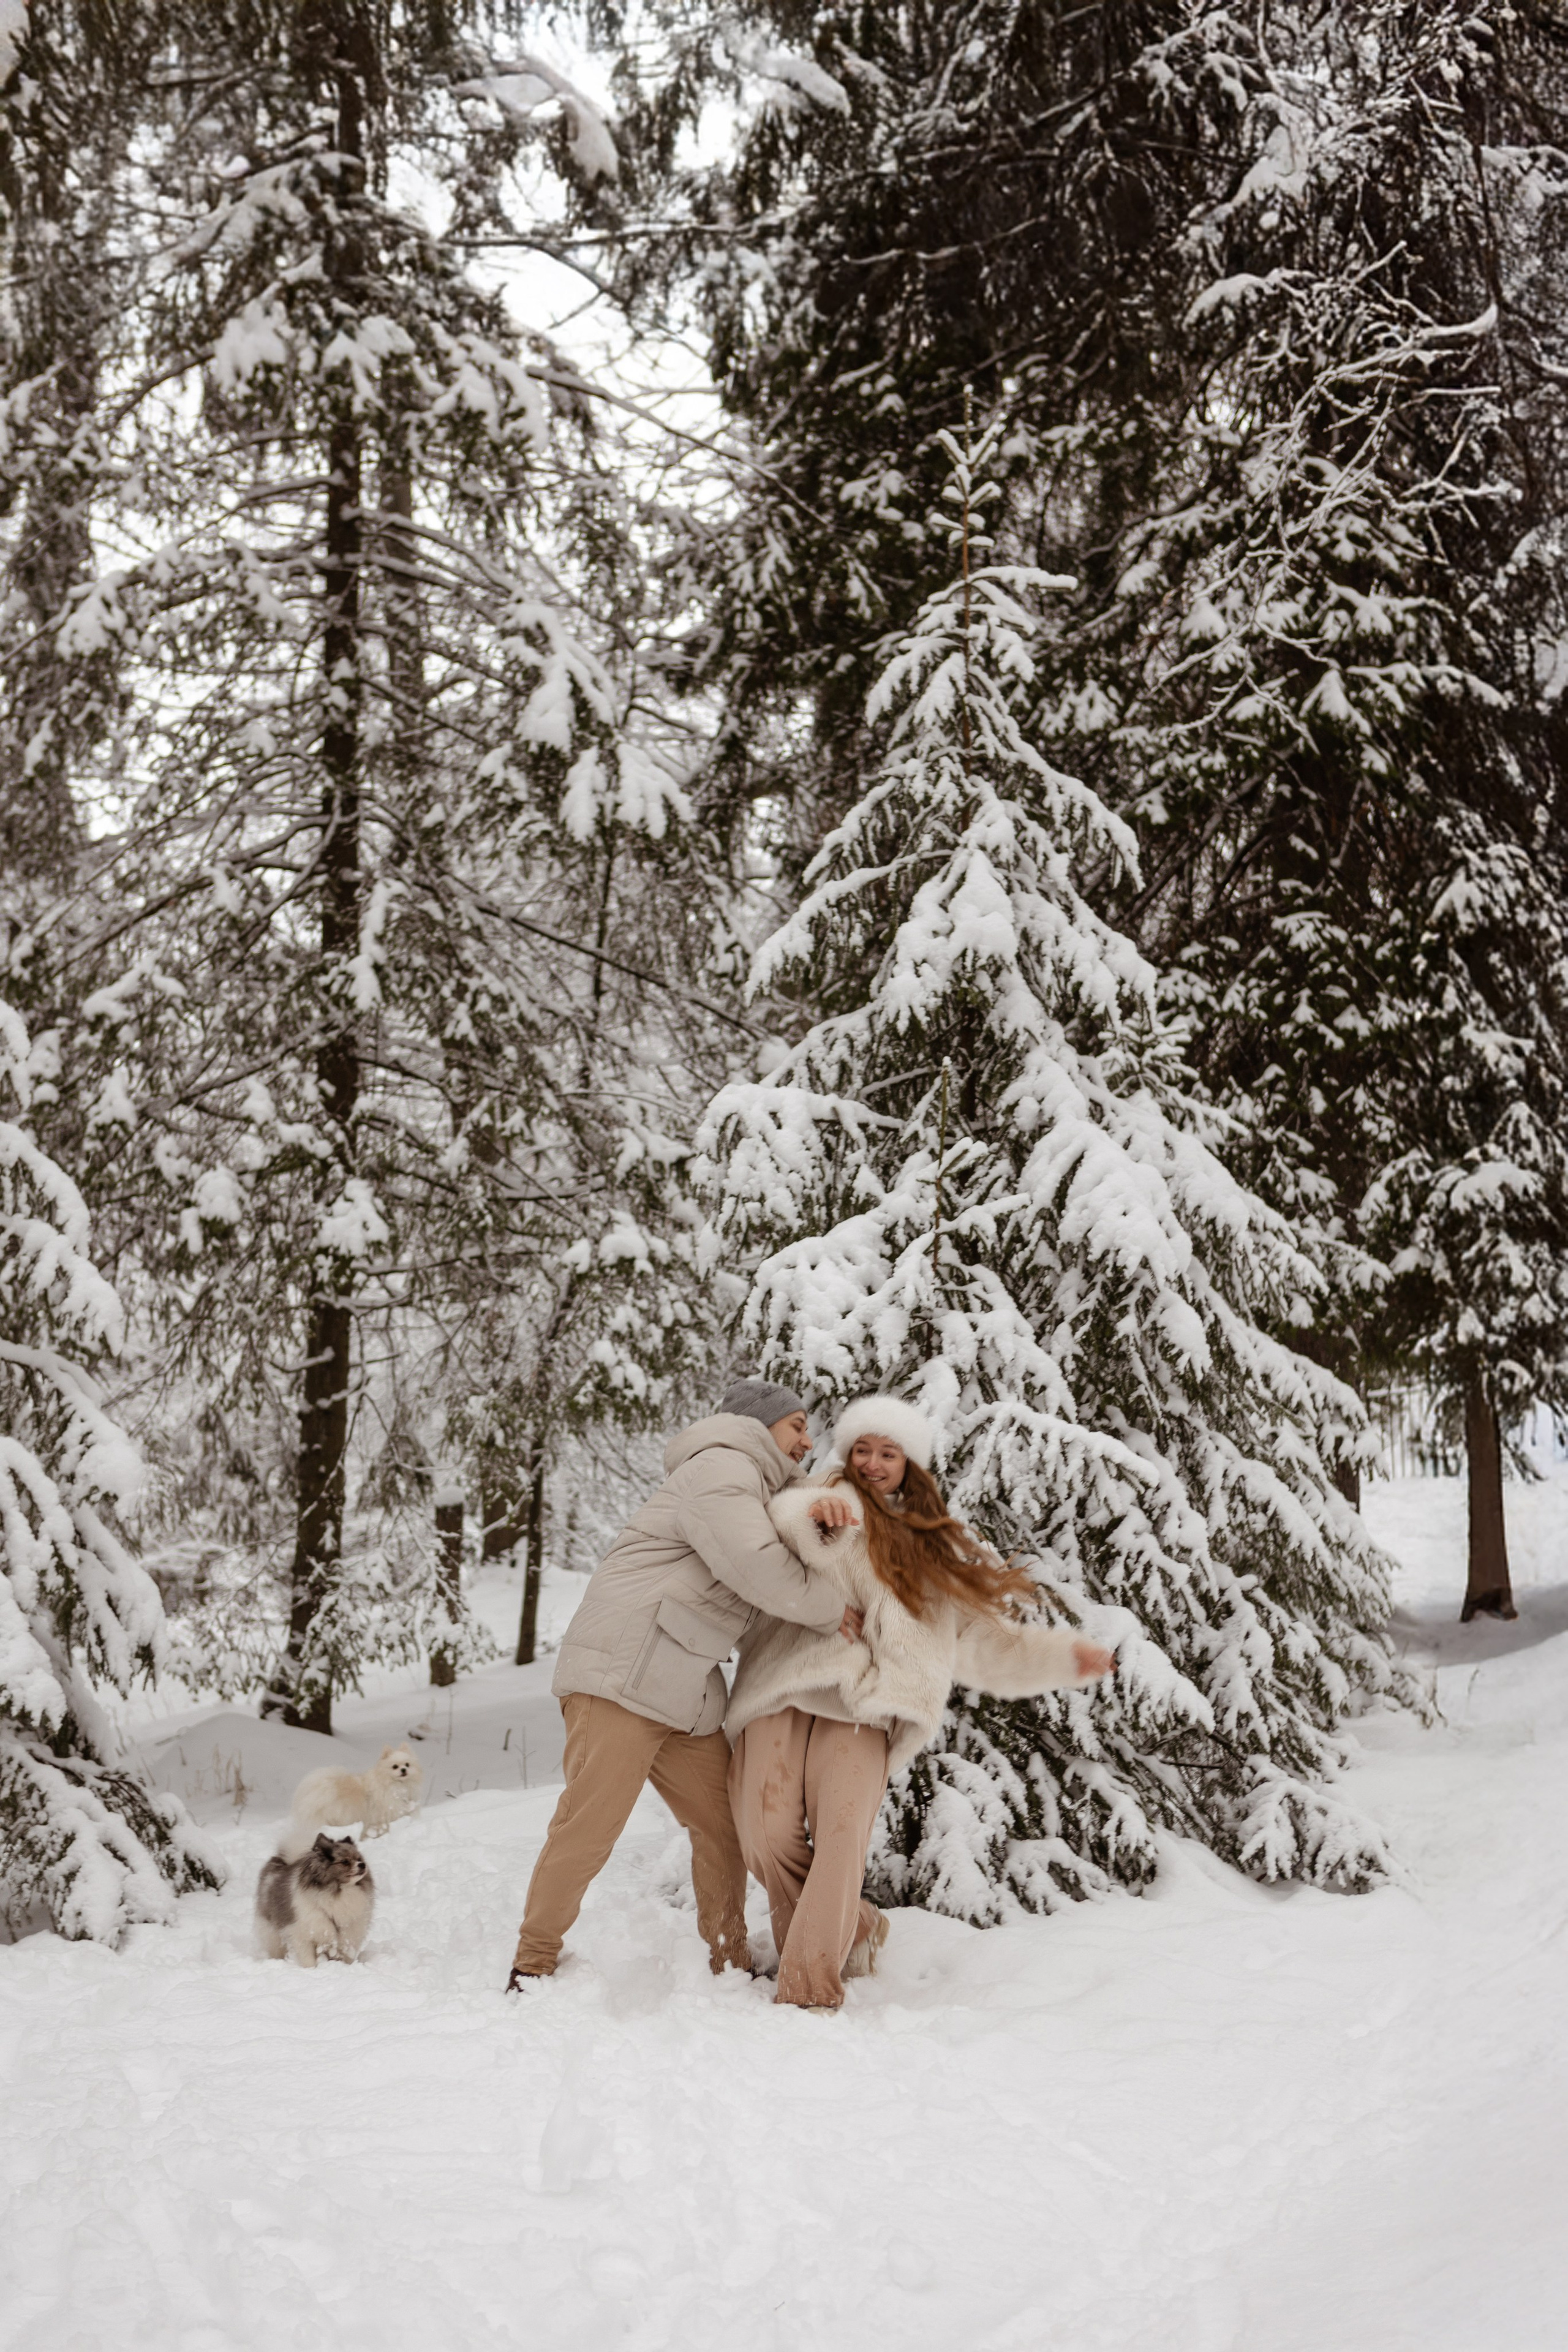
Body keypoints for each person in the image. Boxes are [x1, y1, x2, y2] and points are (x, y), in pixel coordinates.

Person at [726, 1395, 1117, 2012]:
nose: (874, 1463)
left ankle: (807, 1990)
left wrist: (1064, 1659)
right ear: (847, 1454)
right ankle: (852, 1927)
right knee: (765, 1835)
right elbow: (788, 1523)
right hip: (784, 1686)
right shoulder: (822, 1500)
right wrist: (820, 1512)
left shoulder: (935, 1553)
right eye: (863, 1449)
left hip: (870, 1707)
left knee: (840, 1836)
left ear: (910, 1465)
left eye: (889, 1453)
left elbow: (991, 1647)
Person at [505, 1380, 859, 1989]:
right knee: (589, 1827)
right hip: (622, 1674)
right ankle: (532, 1960)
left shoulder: (757, 1483)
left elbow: (797, 1519)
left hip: (681, 1684)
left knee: (723, 1825)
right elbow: (753, 1564)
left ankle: (729, 1958)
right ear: (757, 1425)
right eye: (796, 1425)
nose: (807, 1439)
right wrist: (833, 1612)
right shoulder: (721, 1467)